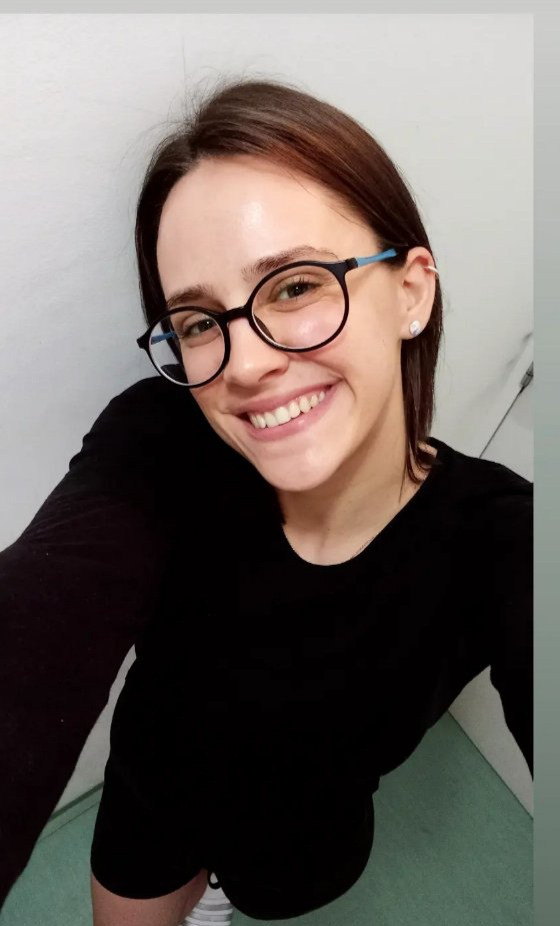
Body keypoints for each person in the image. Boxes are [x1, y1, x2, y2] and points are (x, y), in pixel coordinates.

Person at [0, 78, 532, 925]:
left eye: (293, 287)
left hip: (303, 847)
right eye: (198, 323)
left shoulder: (507, 538)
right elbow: (36, 623)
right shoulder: (161, 439)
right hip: (151, 801)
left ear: (411, 291)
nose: (244, 365)